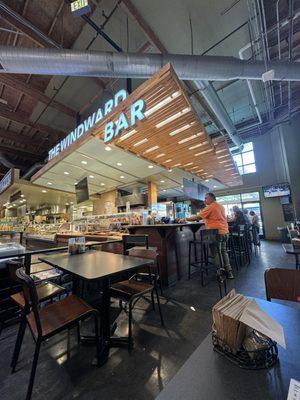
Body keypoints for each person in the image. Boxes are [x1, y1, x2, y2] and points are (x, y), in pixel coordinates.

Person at [199, 193, 234, 279]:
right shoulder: (221, 206)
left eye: (206, 198)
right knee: (223, 251)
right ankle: (229, 272)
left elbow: (198, 217)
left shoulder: (210, 206)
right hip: (225, 232)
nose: (205, 200)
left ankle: (220, 273)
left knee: (216, 253)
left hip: (216, 233)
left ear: (211, 199)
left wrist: (185, 219)